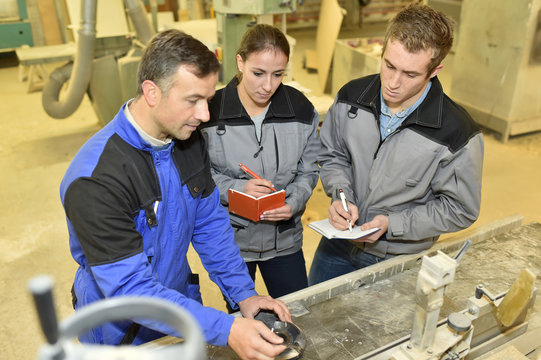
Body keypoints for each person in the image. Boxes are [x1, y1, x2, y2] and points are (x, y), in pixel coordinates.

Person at [60, 29, 292, 359]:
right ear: (152, 92)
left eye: (208, 100)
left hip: (181, 303)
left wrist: (244, 294)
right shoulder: (96, 179)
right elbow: (130, 290)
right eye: (193, 100)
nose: (205, 115)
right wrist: (225, 328)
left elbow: (210, 225)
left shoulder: (188, 139)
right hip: (121, 328)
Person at [308, 4, 484, 285]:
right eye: (389, 65)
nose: (392, 82)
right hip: (339, 242)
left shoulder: (457, 132)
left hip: (395, 255)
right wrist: (342, 196)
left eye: (410, 74)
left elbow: (459, 209)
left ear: (435, 70)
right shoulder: (351, 96)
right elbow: (333, 155)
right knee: (312, 319)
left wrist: (394, 225)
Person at [201, 24, 321, 300]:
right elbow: (200, 175)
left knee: (296, 311)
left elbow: (308, 169)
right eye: (258, 73)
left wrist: (295, 202)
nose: (268, 86)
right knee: (244, 320)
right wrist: (236, 188)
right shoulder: (209, 112)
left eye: (278, 74)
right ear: (240, 62)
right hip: (233, 243)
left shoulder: (301, 110)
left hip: (285, 240)